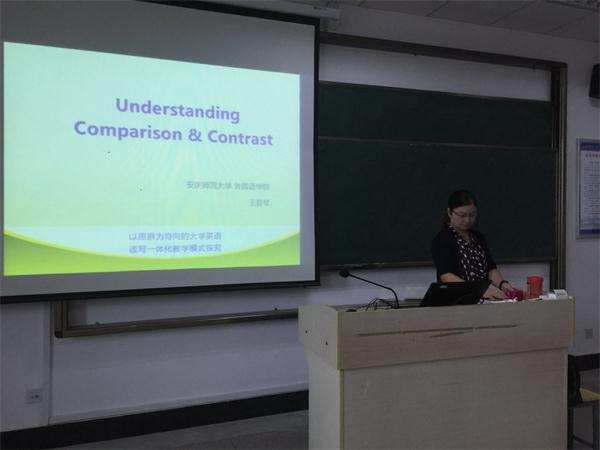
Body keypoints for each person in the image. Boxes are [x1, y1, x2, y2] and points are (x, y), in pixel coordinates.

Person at [431, 190, 516, 300]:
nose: (467, 220)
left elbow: (490, 268)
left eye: (472, 215)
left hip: (483, 297)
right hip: (457, 300)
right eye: (462, 215)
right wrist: (478, 290)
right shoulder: (442, 239)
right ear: (449, 212)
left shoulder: (478, 237)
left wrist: (502, 284)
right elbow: (446, 276)